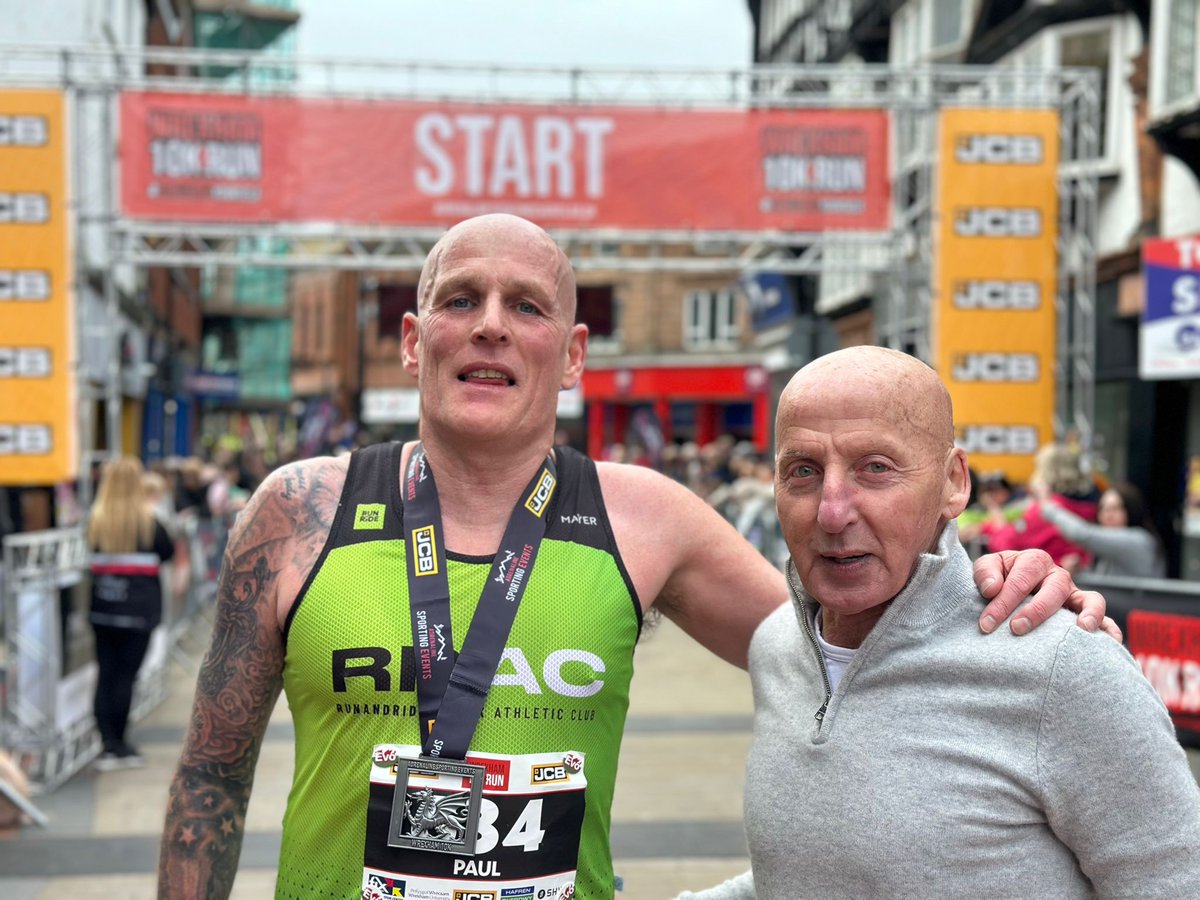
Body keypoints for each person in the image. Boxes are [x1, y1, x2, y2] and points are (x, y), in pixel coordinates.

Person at [158, 215, 1110, 900]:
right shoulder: (299, 510)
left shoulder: (646, 518)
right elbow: (210, 774)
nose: (491, 323)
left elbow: (853, 646)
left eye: (525, 307)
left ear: (572, 357)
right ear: (414, 343)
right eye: (461, 300)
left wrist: (1000, 597)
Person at [684, 347, 1199, 899]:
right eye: (803, 471)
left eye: (875, 469)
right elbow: (801, 878)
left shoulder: (1063, 666)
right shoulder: (776, 646)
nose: (832, 512)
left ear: (954, 483)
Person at [87, 456, 176, 770]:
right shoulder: (149, 522)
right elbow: (168, 552)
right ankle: (119, 745)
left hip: (102, 610)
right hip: (139, 613)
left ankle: (107, 743)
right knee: (126, 678)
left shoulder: (96, 521)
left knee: (105, 675)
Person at [987, 441, 1099, 574]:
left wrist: (997, 525)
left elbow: (1006, 547)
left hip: (1043, 588)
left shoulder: (1045, 511)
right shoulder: (1094, 509)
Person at [1035, 479, 1167, 578]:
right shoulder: (1108, 549)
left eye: (1115, 508)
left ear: (1131, 510)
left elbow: (1082, 534)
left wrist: (1047, 506)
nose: (1107, 515)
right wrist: (1080, 572)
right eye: (1103, 508)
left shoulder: (1139, 539)